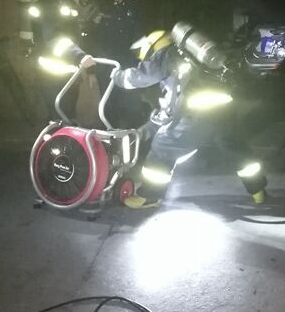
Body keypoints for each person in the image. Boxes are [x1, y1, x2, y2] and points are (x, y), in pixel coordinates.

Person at [96, 21, 268, 209]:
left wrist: (117, 76)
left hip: (197, 111)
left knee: (163, 146)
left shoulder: (166, 54)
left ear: (153, 46)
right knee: (237, 149)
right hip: (224, 108)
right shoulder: (193, 59)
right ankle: (258, 191)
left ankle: (150, 196)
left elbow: (141, 77)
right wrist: (146, 129)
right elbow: (169, 109)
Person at [24, 0, 100, 121]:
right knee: (59, 121)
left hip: (66, 74)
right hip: (53, 75)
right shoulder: (50, 3)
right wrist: (81, 56)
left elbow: (71, 34)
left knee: (67, 119)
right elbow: (55, 40)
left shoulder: (63, 2)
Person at [82, 0, 145, 128]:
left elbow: (140, 33)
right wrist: (90, 71)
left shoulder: (133, 4)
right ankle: (111, 137)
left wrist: (142, 60)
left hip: (130, 62)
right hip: (106, 64)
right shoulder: (96, 6)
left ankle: (134, 136)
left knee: (133, 102)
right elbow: (88, 40)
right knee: (109, 104)